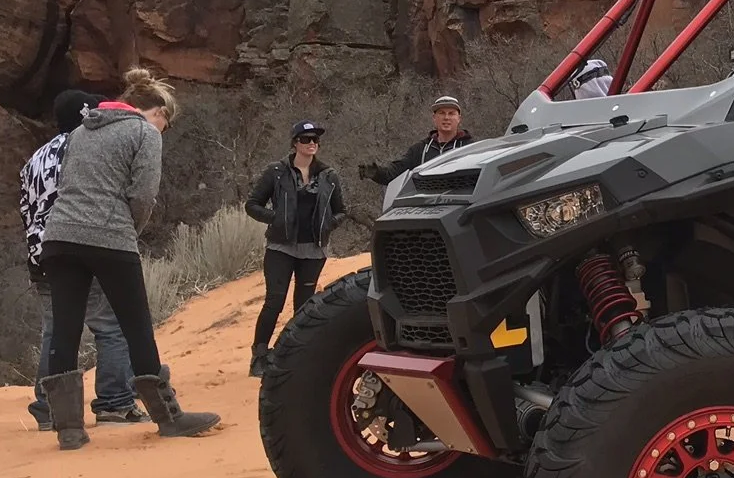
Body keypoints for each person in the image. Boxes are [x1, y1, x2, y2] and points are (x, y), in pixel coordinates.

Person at [37, 68, 219, 451]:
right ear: (154, 111)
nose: (163, 130)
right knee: (136, 326)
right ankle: (169, 419)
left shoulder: (81, 132)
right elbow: (143, 194)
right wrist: (126, 229)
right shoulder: (144, 133)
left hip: (59, 237)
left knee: (66, 330)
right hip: (109, 237)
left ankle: (69, 429)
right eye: (165, 122)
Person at [20, 89, 140, 429]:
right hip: (86, 245)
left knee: (55, 330)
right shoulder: (83, 148)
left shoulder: (35, 158)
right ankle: (115, 403)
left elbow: (26, 211)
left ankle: (49, 407)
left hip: (42, 254)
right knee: (112, 324)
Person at [244, 120, 347, 376]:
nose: (311, 144)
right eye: (305, 139)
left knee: (304, 306)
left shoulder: (328, 175)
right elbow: (252, 204)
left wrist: (328, 227)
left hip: (313, 250)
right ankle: (259, 355)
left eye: (315, 140)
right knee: (274, 301)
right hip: (281, 247)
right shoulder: (276, 171)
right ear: (295, 143)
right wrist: (275, 219)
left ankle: (295, 354)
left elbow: (342, 210)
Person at [363, 95, 473, 185]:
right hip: (427, 207)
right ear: (434, 118)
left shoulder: (470, 149)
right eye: (442, 113)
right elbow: (394, 173)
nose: (446, 118)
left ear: (459, 118)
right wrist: (376, 172)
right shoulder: (420, 150)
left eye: (451, 113)